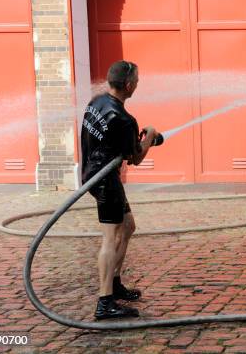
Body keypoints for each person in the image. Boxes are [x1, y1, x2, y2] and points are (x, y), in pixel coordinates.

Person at [81, 60, 159, 319]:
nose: (138, 84)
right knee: (111, 237)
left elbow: (112, 142)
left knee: (128, 227)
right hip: (105, 182)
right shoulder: (125, 120)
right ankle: (105, 303)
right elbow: (135, 159)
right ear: (128, 85)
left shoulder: (97, 102)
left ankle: (114, 284)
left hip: (94, 174)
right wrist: (149, 137)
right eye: (136, 81)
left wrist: (137, 140)